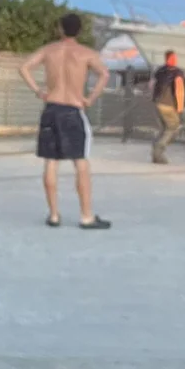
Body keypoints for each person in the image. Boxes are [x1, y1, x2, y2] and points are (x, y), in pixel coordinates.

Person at [19, 13, 111, 228]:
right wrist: (90, 98)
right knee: (80, 162)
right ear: (79, 31)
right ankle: (86, 216)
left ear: (60, 29)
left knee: (51, 161)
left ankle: (53, 215)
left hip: (51, 108)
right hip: (73, 109)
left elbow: (23, 67)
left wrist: (38, 91)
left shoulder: (49, 50)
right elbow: (104, 75)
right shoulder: (86, 53)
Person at [151, 50, 185, 164]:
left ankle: (156, 153)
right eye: (174, 58)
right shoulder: (177, 72)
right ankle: (159, 150)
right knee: (174, 127)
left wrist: (154, 98)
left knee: (164, 128)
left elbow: (151, 84)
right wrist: (180, 107)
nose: (175, 60)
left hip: (157, 103)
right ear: (169, 58)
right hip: (168, 104)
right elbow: (180, 89)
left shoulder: (160, 70)